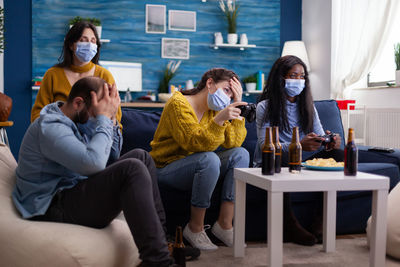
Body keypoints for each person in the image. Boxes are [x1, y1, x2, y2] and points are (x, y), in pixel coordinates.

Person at [13, 76, 175, 267]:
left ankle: (162, 243)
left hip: (73, 189)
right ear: (78, 103)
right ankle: (158, 262)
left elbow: (112, 155)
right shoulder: (50, 128)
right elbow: (94, 164)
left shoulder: (78, 120)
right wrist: (103, 119)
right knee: (132, 169)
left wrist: (111, 118)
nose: (99, 118)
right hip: (51, 205)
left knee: (141, 157)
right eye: (96, 113)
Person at [150, 68, 250, 250]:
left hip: (198, 166)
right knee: (209, 159)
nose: (227, 98)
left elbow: (233, 142)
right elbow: (193, 143)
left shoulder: (215, 110)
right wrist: (219, 121)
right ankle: (195, 228)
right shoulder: (178, 103)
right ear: (210, 83)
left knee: (241, 154)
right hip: (165, 167)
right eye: (227, 90)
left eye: (232, 95)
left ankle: (224, 225)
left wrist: (237, 104)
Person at [254, 55, 343, 246]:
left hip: (301, 161)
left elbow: (319, 135)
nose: (298, 81)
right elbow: (264, 146)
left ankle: (319, 222)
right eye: (293, 76)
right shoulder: (265, 107)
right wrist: (299, 145)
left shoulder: (308, 106)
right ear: (281, 78)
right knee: (279, 159)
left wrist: (329, 141)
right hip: (274, 161)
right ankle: (289, 225)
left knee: (339, 154)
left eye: (302, 76)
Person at [31, 21, 122, 128]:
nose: (89, 45)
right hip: (57, 136)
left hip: (96, 136)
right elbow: (37, 114)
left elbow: (115, 115)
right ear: (71, 45)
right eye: (83, 40)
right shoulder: (52, 75)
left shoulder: (104, 75)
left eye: (93, 41)